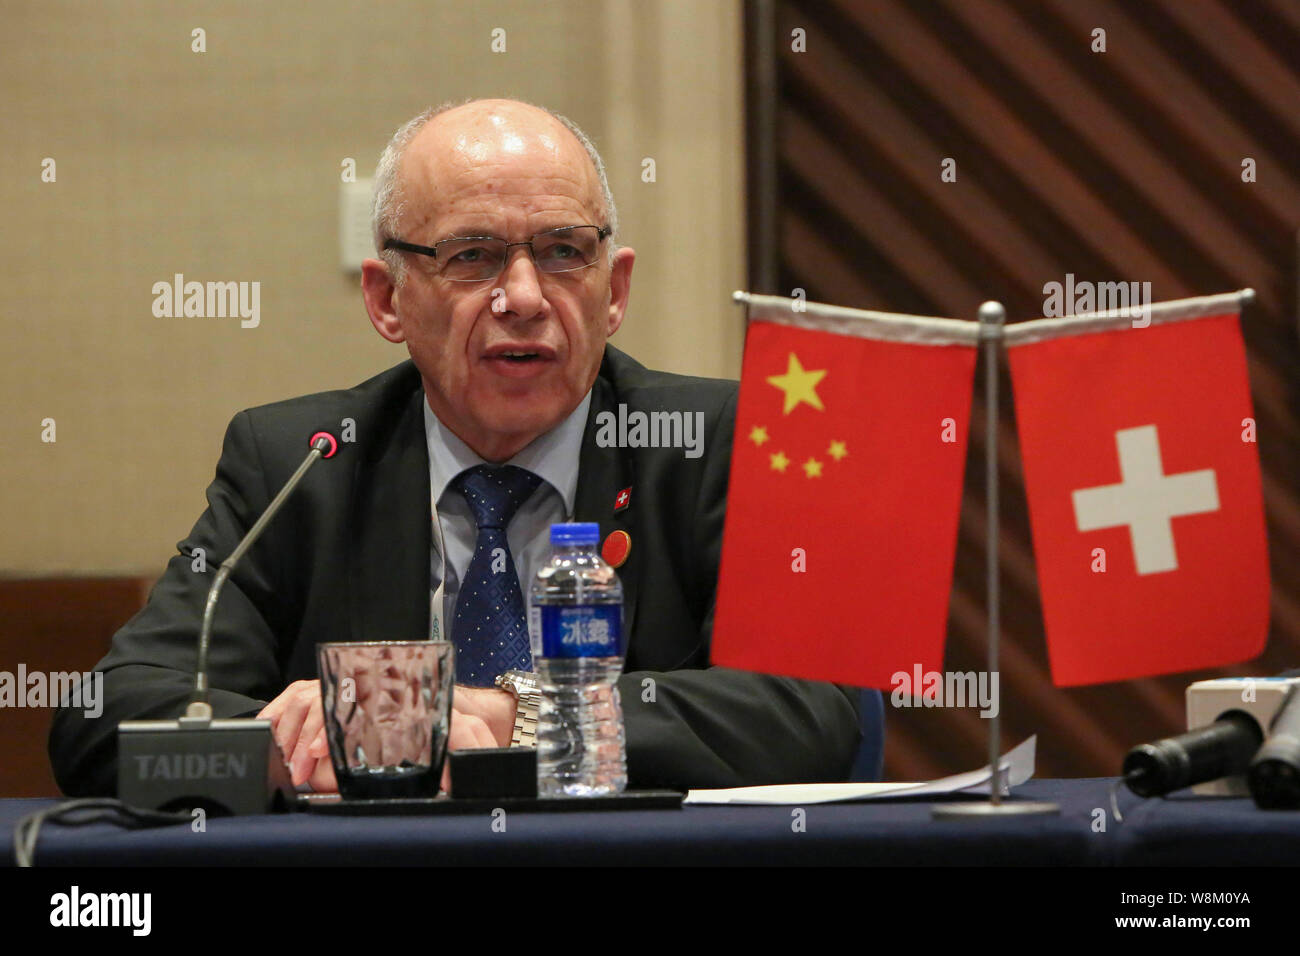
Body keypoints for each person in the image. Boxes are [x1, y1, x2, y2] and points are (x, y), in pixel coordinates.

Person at [49, 99, 863, 796]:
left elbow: (812, 711)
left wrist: (523, 718)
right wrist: (278, 738)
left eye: (562, 252)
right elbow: (104, 718)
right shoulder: (301, 462)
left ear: (613, 291)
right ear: (387, 299)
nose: (522, 297)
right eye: (472, 256)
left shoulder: (717, 444)